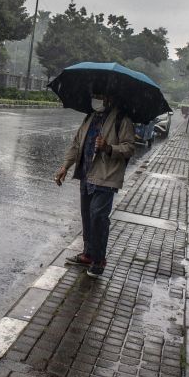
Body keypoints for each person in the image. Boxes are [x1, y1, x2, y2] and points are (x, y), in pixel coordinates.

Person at [54, 95, 135, 277]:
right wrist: (65, 166)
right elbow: (76, 144)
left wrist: (108, 148)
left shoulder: (122, 119)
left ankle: (99, 260)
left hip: (106, 176)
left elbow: (130, 147)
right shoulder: (90, 116)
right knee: (87, 217)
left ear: (110, 97)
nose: (97, 98)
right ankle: (88, 254)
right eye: (96, 95)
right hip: (86, 173)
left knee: (98, 217)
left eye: (102, 95)